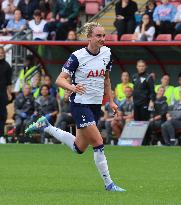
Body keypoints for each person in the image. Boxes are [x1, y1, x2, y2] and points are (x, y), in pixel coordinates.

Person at [25, 22, 125, 192]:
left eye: (103, 36)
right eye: (98, 36)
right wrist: (72, 88)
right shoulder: (77, 56)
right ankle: (109, 184)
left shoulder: (107, 53)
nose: (102, 39)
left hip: (95, 105)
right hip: (80, 103)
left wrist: (112, 101)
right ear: (89, 37)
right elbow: (60, 79)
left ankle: (46, 126)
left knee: (79, 147)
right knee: (98, 142)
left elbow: (106, 79)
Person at [0, 47, 12, 138]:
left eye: (2, 53)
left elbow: (9, 82)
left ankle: (1, 135)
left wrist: (9, 93)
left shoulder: (7, 66)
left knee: (2, 114)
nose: (1, 54)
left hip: (2, 93)